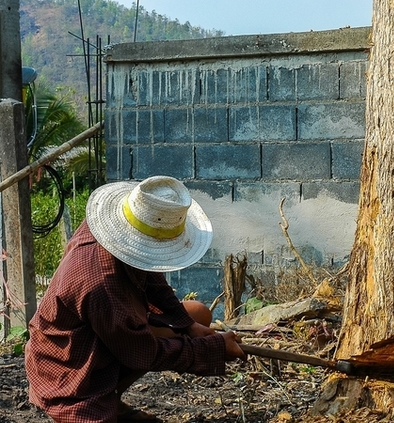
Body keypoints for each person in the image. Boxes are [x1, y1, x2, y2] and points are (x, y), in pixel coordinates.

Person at [25, 176, 246, 422]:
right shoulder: (101, 285)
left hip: (102, 334)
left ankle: (113, 397)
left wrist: (188, 325)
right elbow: (145, 352)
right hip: (68, 368)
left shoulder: (111, 231)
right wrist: (213, 348)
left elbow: (152, 279)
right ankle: (100, 403)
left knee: (197, 313)